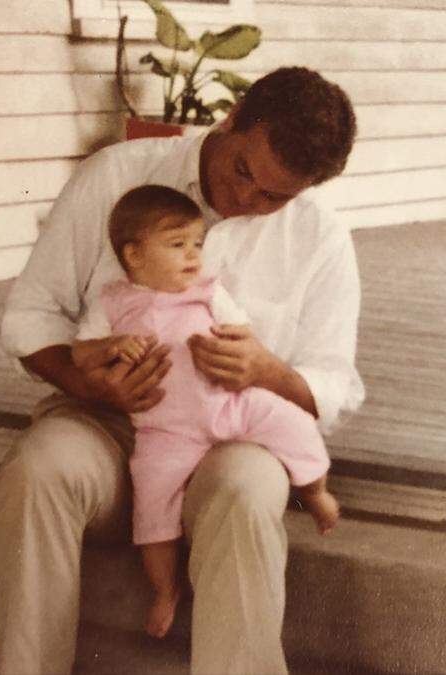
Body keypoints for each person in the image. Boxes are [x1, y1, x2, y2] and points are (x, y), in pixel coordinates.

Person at [0, 66, 363, 674]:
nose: (247, 199)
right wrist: (83, 380)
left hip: (228, 434)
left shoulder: (319, 237)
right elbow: (32, 315)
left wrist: (268, 370)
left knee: (247, 493)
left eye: (276, 196)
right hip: (105, 421)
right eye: (245, 171)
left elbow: (335, 381)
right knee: (37, 471)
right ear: (235, 115)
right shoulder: (116, 175)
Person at [71, 184, 339, 639]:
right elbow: (81, 354)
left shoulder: (209, 292)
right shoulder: (112, 303)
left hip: (229, 402)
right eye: (177, 245)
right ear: (134, 255)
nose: (193, 255)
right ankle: (165, 589)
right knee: (152, 503)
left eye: (197, 243)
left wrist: (227, 346)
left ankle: (313, 489)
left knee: (292, 421)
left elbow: (242, 334)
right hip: (163, 427)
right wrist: (111, 345)